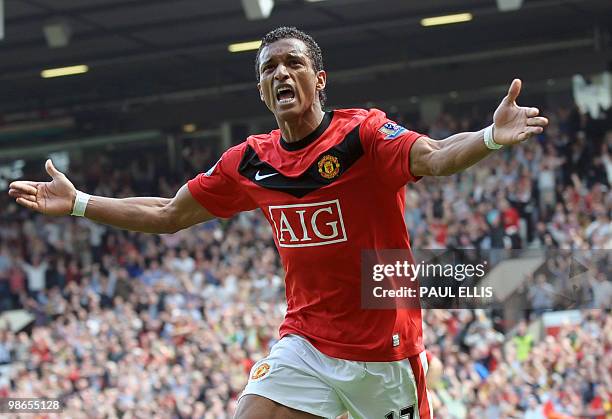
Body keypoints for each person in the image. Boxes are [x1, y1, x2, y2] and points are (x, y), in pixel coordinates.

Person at [8, 26, 548, 419]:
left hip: (384, 352)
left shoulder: (362, 135)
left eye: (292, 63)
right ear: (262, 91)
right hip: (305, 345)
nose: (281, 73)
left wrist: (490, 138)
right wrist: (81, 203)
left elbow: (433, 156)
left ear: (319, 78)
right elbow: (169, 214)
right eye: (269, 69)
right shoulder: (247, 161)